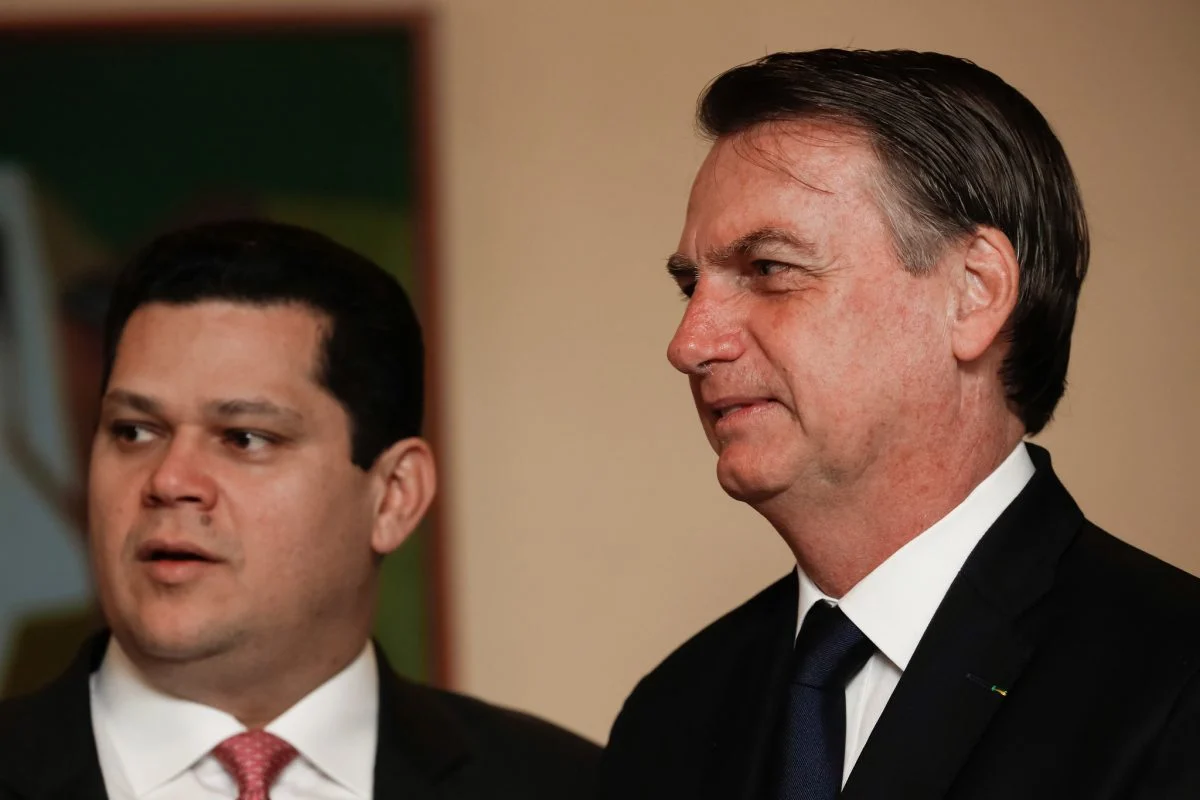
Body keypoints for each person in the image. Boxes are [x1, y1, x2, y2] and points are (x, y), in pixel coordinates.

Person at [599, 49, 1200, 800]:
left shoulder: (1175, 684)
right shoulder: (672, 717)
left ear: (974, 293)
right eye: (690, 286)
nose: (689, 344)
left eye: (770, 269)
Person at [0, 220, 598, 799]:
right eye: (133, 431)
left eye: (245, 438)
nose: (169, 479)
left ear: (394, 496)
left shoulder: (576, 786)